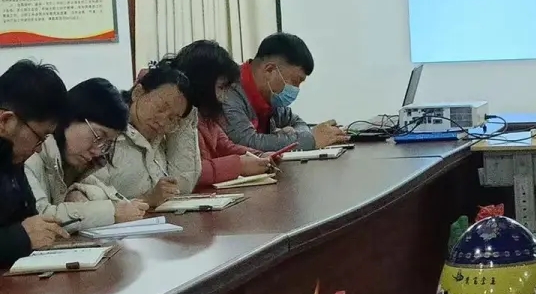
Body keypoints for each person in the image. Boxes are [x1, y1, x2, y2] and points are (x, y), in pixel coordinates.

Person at [26, 78, 149, 232]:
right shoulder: (30, 156)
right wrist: (112, 213)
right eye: (98, 136)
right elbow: (41, 218)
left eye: (107, 144)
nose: (97, 151)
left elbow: (109, 195)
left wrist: (80, 193)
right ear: (71, 116)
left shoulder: (75, 165)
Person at [94, 62, 200, 209]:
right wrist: (148, 199)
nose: (162, 121)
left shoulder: (158, 140)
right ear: (137, 93)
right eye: (160, 108)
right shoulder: (104, 133)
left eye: (172, 119)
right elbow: (87, 202)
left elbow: (182, 187)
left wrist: (184, 121)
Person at [221, 32, 349, 152]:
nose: (296, 89)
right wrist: (309, 140)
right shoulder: (226, 91)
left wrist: (301, 136)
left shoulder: (269, 97)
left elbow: (297, 122)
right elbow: (246, 143)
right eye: (295, 81)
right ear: (269, 70)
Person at [170, 40, 273, 188]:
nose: (224, 97)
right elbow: (188, 172)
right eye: (221, 87)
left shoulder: (206, 115)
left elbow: (225, 146)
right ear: (202, 84)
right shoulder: (176, 117)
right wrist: (239, 166)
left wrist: (260, 156)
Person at [0, 60, 68, 268]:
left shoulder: (9, 156)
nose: (38, 149)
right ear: (6, 121)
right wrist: (20, 238)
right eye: (40, 137)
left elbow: (27, 217)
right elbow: (22, 232)